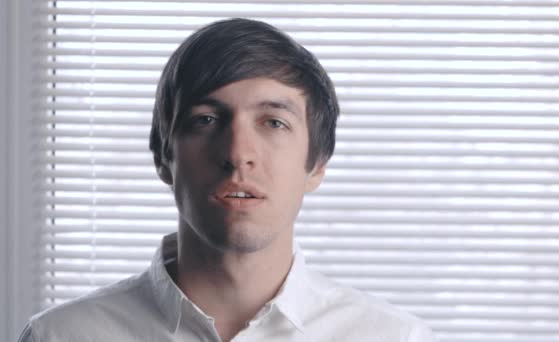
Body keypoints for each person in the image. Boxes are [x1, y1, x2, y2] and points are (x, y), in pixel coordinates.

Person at [19, 18, 435, 342]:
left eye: (273, 122)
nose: (238, 154)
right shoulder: (59, 336)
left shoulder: (395, 338)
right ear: (164, 156)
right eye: (207, 120)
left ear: (318, 164)